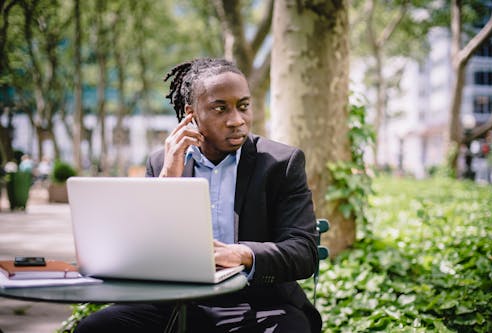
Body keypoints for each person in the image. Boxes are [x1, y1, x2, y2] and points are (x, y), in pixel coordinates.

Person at [75, 58, 321, 333]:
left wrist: (241, 254)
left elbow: (304, 251)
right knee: (96, 328)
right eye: (220, 109)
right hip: (176, 302)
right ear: (191, 115)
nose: (236, 120)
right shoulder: (162, 163)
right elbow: (146, 248)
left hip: (258, 304)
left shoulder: (281, 163)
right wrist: (168, 178)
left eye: (243, 106)